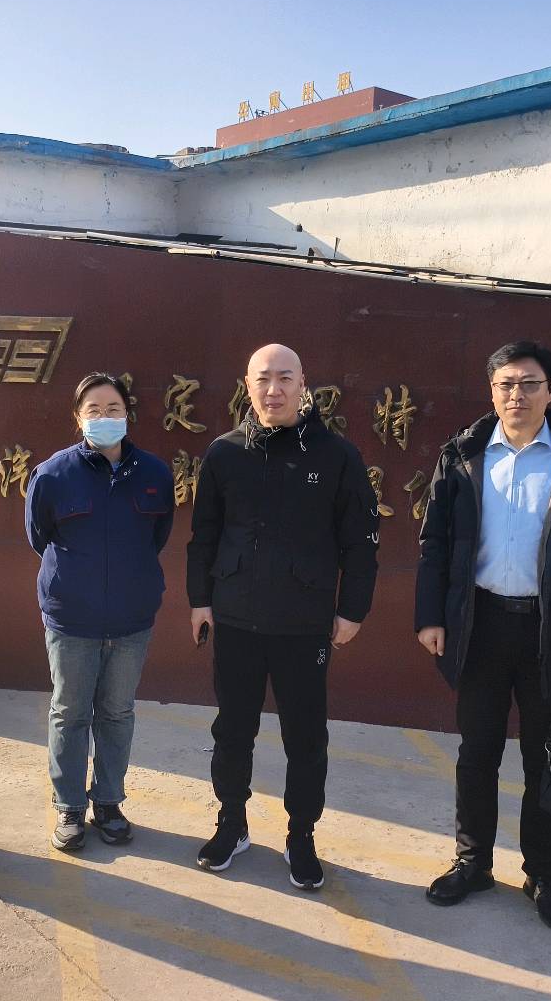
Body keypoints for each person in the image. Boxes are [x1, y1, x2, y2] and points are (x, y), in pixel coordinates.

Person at [414, 340, 551, 932]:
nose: (517, 395)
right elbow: (434, 544)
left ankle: (543, 875)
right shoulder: (463, 455)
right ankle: (472, 862)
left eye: (530, 384)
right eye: (506, 384)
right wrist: (431, 617)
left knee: (545, 759)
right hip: (478, 624)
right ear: (492, 392)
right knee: (476, 752)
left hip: (550, 633)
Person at [187, 343, 380, 890]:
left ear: (303, 384)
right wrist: (200, 600)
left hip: (304, 623)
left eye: (285, 378)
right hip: (236, 619)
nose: (273, 390)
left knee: (306, 737)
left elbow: (361, 541)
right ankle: (232, 822)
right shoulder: (224, 453)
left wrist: (352, 610)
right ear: (247, 385)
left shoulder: (336, 456)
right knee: (232, 730)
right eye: (263, 379)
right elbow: (204, 535)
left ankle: (301, 834)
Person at [25, 373, 175, 852]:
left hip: (131, 620)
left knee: (116, 712)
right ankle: (69, 807)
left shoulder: (154, 475)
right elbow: (39, 538)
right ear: (78, 417)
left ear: (127, 415)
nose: (104, 417)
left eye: (113, 409)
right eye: (94, 410)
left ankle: (108, 802)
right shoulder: (52, 475)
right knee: (69, 713)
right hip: (72, 620)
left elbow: (158, 537)